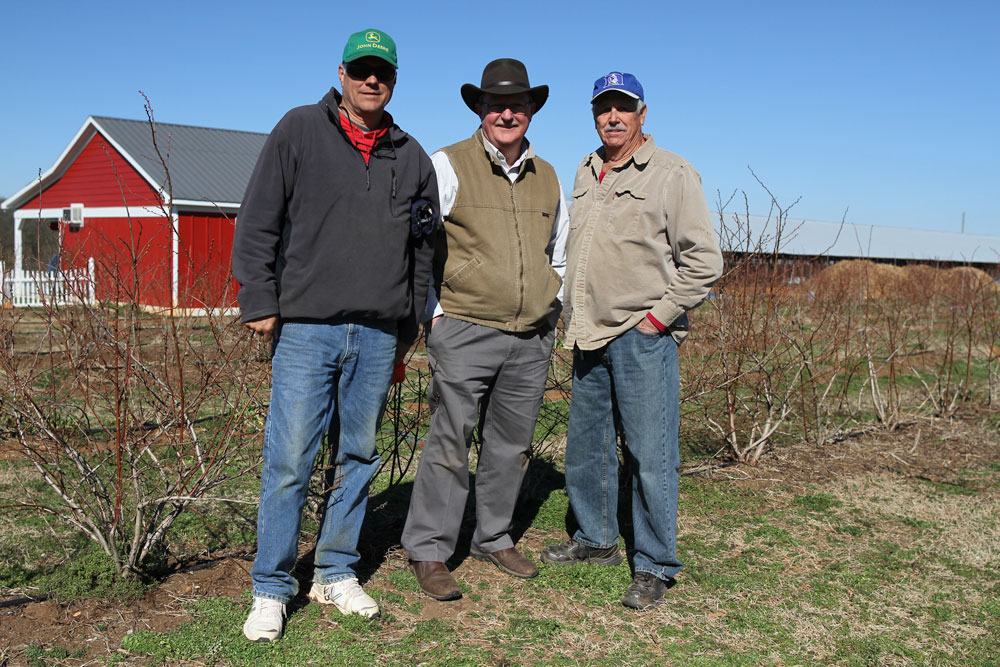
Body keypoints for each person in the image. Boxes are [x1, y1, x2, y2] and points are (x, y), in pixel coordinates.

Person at [232, 28, 438, 641]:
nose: (371, 80)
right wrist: (259, 299)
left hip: (377, 334)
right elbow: (259, 217)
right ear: (342, 73)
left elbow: (421, 250)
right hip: (307, 328)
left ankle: (335, 571)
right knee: (290, 460)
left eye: (383, 72)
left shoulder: (412, 156)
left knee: (358, 457)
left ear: (394, 81)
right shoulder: (299, 130)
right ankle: (271, 587)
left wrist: (408, 327)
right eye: (361, 69)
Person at [541, 71, 723, 610]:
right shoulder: (586, 167)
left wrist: (658, 318)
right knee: (588, 446)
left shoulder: (671, 173)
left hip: (641, 333)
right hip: (589, 328)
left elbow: (705, 262)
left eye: (623, 107)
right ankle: (595, 538)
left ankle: (655, 564)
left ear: (643, 114)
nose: (612, 117)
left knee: (650, 452)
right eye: (604, 109)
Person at [401, 58, 569, 601]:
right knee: (450, 440)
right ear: (480, 108)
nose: (506, 113)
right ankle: (429, 549)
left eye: (517, 105)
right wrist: (433, 312)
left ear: (530, 112)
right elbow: (417, 244)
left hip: (530, 335)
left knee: (511, 445)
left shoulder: (548, 176)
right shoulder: (448, 164)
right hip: (466, 327)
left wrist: (553, 304)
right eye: (496, 104)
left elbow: (559, 254)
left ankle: (493, 536)